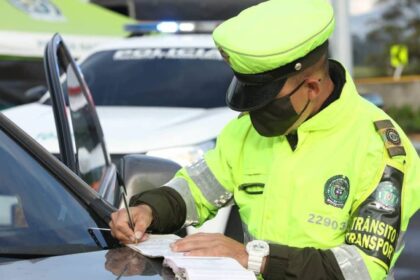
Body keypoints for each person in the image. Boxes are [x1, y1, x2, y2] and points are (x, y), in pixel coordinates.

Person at [110, 0, 420, 279]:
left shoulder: (379, 148)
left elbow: (362, 268)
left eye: (268, 101)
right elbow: (197, 189)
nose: (256, 113)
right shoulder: (244, 133)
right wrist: (149, 210)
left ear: (312, 87)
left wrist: (252, 258)